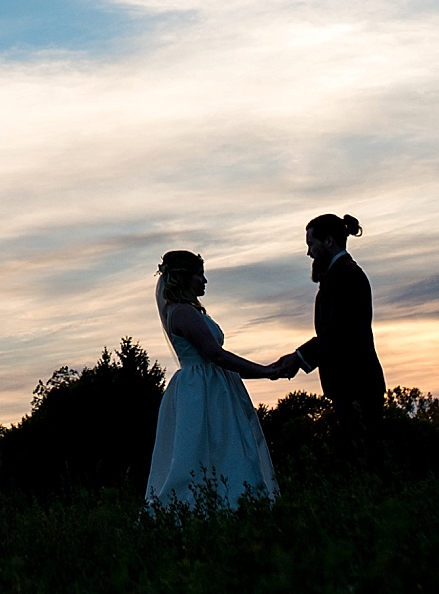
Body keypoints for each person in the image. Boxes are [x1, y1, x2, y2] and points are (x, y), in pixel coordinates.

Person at [145, 250, 286, 508]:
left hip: (213, 386)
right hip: (203, 389)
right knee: (204, 449)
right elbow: (215, 355)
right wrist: (264, 371)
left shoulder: (188, 311)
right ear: (185, 278)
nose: (205, 281)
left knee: (222, 448)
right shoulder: (183, 313)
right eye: (200, 275)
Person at [273, 214, 385, 415]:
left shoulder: (346, 276)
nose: (309, 252)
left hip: (357, 384)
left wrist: (298, 357)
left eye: (311, 244)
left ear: (329, 241)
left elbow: (340, 332)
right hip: (352, 385)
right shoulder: (339, 275)